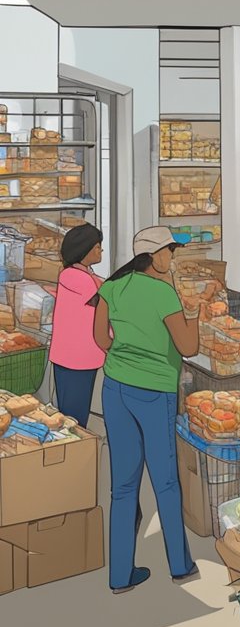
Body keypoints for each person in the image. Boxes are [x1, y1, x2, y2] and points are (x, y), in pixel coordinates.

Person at [92, 226, 201, 593]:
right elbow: (187, 346)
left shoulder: (112, 286)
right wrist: (194, 314)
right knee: (166, 481)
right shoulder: (163, 293)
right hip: (154, 392)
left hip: (115, 389)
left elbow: (99, 338)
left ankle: (120, 575)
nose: (174, 257)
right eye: (171, 251)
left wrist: (127, 355)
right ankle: (180, 565)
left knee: (123, 486)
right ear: (156, 257)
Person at [50, 223, 105, 428]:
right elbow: (103, 302)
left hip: (79, 358)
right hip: (74, 359)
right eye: (98, 246)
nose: (101, 250)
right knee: (73, 418)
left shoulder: (85, 274)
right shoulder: (74, 277)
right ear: (85, 250)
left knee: (75, 413)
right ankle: (72, 454)